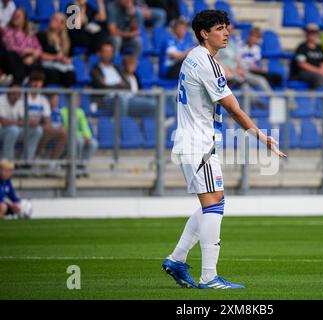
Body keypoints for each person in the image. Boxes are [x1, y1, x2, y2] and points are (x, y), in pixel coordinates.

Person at [162, 9, 287, 289]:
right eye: (219, 28)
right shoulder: (207, 63)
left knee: (213, 204)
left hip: (195, 141)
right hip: (198, 143)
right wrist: (261, 137)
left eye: (227, 27)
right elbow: (233, 108)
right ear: (205, 33)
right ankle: (209, 276)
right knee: (214, 206)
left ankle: (177, 259)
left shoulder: (196, 57)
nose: (227, 32)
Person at [90, 41, 156, 116]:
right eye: (106, 52)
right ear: (99, 53)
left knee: (152, 104)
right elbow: (102, 87)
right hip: (108, 100)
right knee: (121, 99)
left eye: (110, 52)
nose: (108, 54)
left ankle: (153, 126)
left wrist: (112, 85)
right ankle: (121, 126)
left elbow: (127, 85)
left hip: (127, 98)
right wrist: (119, 85)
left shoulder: (116, 68)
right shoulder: (95, 70)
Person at [218, 23, 272, 93]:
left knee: (260, 81)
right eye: (227, 30)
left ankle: (272, 100)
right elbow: (218, 61)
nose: (229, 33)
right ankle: (262, 103)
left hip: (239, 71)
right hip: (228, 73)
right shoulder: (218, 43)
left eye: (231, 30)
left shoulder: (231, 43)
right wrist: (233, 70)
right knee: (245, 87)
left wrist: (240, 69)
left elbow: (237, 59)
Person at [26, 71, 67, 160]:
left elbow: (47, 120)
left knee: (63, 133)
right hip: (24, 126)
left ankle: (53, 162)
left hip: (39, 126)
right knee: (41, 130)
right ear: (30, 83)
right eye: (35, 81)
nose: (37, 84)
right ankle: (36, 155)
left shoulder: (43, 100)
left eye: (40, 82)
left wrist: (51, 127)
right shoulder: (24, 97)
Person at [289, 23, 323, 90]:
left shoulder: (320, 47)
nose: (312, 34)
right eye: (309, 32)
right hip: (304, 73)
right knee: (318, 77)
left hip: (319, 71)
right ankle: (319, 98)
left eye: (314, 32)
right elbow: (302, 64)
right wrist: (318, 71)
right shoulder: (301, 47)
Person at [0, 84, 43, 161]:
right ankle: (7, 162)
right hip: (2, 131)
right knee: (13, 130)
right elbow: (4, 123)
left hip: (15, 130)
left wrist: (29, 122)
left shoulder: (19, 102)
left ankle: (26, 162)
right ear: (8, 93)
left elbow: (24, 119)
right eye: (14, 94)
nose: (16, 96)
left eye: (18, 94)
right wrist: (22, 122)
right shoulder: (1, 100)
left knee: (37, 130)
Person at [1, 8, 42, 84]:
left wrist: (32, 58)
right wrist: (30, 50)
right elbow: (10, 47)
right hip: (14, 59)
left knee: (39, 65)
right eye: (14, 15)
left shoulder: (29, 34)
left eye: (18, 16)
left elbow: (39, 49)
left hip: (29, 60)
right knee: (11, 55)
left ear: (24, 19)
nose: (15, 17)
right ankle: (21, 80)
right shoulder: (7, 31)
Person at [37, 12, 76, 87]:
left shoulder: (66, 39)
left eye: (55, 19)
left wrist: (67, 60)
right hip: (47, 65)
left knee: (71, 75)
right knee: (53, 74)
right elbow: (39, 54)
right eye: (52, 18)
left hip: (62, 66)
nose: (52, 20)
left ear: (62, 24)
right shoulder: (42, 35)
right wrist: (55, 57)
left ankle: (69, 97)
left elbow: (69, 56)